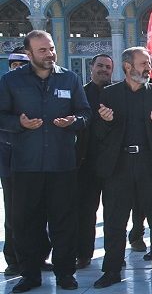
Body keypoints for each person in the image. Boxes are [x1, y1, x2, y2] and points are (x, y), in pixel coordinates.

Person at [0, 30, 91, 292]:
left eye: (51, 48)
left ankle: (65, 274)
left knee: (64, 222)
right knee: (27, 223)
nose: (49, 54)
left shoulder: (70, 79)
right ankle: (30, 275)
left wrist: (74, 121)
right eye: (42, 50)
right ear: (28, 54)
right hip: (27, 165)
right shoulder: (11, 81)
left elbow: (85, 113)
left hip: (62, 164)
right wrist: (19, 123)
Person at [92, 47, 152, 289]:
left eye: (148, 63)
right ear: (127, 66)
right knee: (115, 222)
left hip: (150, 165)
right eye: (143, 63)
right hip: (118, 165)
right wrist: (106, 122)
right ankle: (111, 271)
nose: (148, 67)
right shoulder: (109, 94)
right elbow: (97, 131)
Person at [0, 47, 53, 278]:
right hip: (13, 163)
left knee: (41, 210)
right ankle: (15, 260)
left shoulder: (42, 87)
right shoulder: (6, 87)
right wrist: (19, 124)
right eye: (15, 65)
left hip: (41, 161)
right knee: (16, 214)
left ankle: (39, 256)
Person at [75, 53, 113, 270]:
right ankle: (83, 253)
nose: (104, 70)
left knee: (114, 214)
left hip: (113, 163)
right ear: (91, 68)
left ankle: (114, 254)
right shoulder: (80, 93)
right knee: (85, 211)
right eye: (100, 66)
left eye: (108, 67)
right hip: (86, 162)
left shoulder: (117, 93)